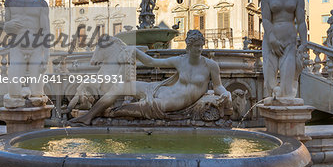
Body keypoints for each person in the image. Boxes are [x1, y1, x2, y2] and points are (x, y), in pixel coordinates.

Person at [69, 30, 232, 125]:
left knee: (137, 108)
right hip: (160, 89)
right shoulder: (180, 61)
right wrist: (135, 50)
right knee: (121, 86)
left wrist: (225, 92)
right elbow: (151, 61)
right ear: (188, 47)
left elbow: (217, 86)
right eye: (195, 46)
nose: (199, 50)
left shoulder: (210, 65)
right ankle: (88, 116)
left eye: (200, 46)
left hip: (171, 103)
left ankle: (105, 114)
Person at [3, 0, 50, 108]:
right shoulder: (10, 2)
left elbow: (46, 30)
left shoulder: (41, 4)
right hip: (17, 47)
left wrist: (46, 57)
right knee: (14, 93)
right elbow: (6, 27)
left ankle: (35, 116)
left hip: (36, 48)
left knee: (36, 93)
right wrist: (8, 25)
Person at [261, 0, 307, 99]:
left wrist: (304, 42)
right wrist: (272, 39)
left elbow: (301, 22)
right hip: (271, 39)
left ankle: (286, 100)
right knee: (269, 74)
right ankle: (272, 98)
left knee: (287, 75)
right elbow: (266, 20)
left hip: (289, 39)